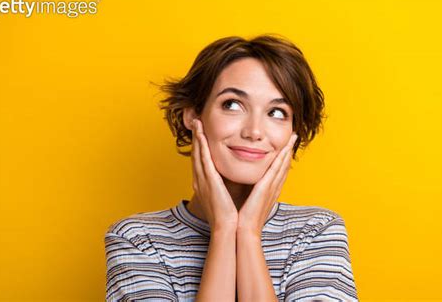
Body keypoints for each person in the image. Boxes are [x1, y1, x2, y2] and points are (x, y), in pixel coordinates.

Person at [104, 34, 358, 301]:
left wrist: (248, 233)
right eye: (233, 105)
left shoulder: (316, 232)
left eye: (277, 112)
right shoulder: (137, 239)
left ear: (294, 130)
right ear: (192, 115)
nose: (254, 131)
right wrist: (224, 230)